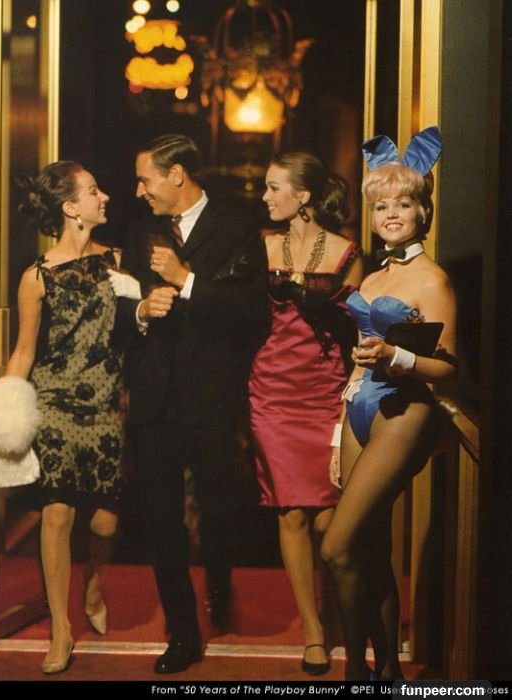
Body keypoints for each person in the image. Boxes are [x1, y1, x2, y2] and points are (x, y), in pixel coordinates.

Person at [108, 133, 268, 674]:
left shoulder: (237, 227)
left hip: (211, 399)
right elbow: (118, 313)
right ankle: (182, 632)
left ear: (177, 174)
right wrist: (140, 312)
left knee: (220, 510)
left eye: (145, 180)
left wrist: (187, 281)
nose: (138, 191)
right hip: (153, 400)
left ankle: (218, 582)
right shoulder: (140, 231)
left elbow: (252, 315)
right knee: (161, 519)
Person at [321, 127, 457, 680]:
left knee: (336, 547)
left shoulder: (433, 280)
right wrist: (338, 433)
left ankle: (356, 670)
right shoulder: (375, 275)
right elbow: (359, 362)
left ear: (422, 211)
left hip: (405, 411)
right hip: (360, 406)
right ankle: (385, 674)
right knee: (369, 552)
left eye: (403, 203)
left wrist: (396, 356)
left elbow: (449, 368)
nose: (392, 214)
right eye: (381, 206)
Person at [5, 161, 124, 674]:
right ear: (71, 207)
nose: (105, 197)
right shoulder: (35, 277)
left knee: (104, 522)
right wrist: (3, 412)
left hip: (106, 405)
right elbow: (24, 351)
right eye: (94, 191)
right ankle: (61, 627)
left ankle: (94, 579)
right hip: (53, 402)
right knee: (57, 513)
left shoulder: (118, 262)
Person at [248, 152, 363, 676]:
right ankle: (313, 631)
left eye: (275, 188)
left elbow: (358, 331)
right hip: (272, 392)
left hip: (326, 391)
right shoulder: (261, 246)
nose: (265, 197)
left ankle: (341, 616)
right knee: (290, 512)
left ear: (304, 196)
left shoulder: (346, 253)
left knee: (329, 520)